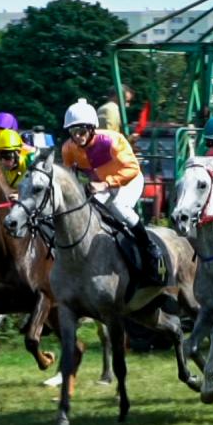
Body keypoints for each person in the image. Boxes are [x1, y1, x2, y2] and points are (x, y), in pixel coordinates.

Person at [59, 98, 164, 285]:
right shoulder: (68, 148)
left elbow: (132, 169)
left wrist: (106, 183)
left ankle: (149, 247)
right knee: (87, 211)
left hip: (129, 181)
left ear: (92, 128)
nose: (78, 137)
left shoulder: (113, 141)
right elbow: (69, 176)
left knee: (118, 207)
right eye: (73, 132)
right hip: (103, 185)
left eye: (82, 131)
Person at [0, 128, 33, 196]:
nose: (2, 161)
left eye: (7, 156)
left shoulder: (30, 161)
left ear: (18, 153)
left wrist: (20, 196)